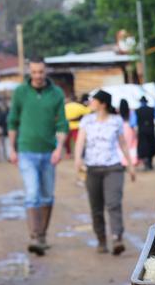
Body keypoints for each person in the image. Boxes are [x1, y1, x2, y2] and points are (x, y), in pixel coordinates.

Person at [8, 59, 69, 255]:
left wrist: (59, 148)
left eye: (41, 72)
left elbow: (62, 124)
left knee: (47, 196)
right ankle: (35, 236)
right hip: (26, 151)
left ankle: (42, 235)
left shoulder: (56, 93)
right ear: (29, 71)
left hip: (49, 152)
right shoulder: (20, 92)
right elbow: (12, 121)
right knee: (32, 193)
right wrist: (11, 148)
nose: (38, 76)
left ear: (46, 71)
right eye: (34, 72)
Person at [74, 89, 136, 255]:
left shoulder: (116, 121)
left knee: (113, 203)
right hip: (92, 169)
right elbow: (80, 141)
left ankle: (117, 238)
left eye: (93, 100)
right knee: (96, 207)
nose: (90, 103)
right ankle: (101, 239)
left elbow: (123, 144)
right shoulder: (87, 121)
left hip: (113, 168)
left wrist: (130, 165)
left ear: (103, 104)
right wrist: (77, 159)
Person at [134, 96, 155, 169]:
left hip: (142, 131)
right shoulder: (152, 109)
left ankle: (146, 162)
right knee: (151, 145)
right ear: (146, 102)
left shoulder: (137, 111)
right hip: (150, 130)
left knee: (143, 147)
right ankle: (149, 161)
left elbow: (133, 123)